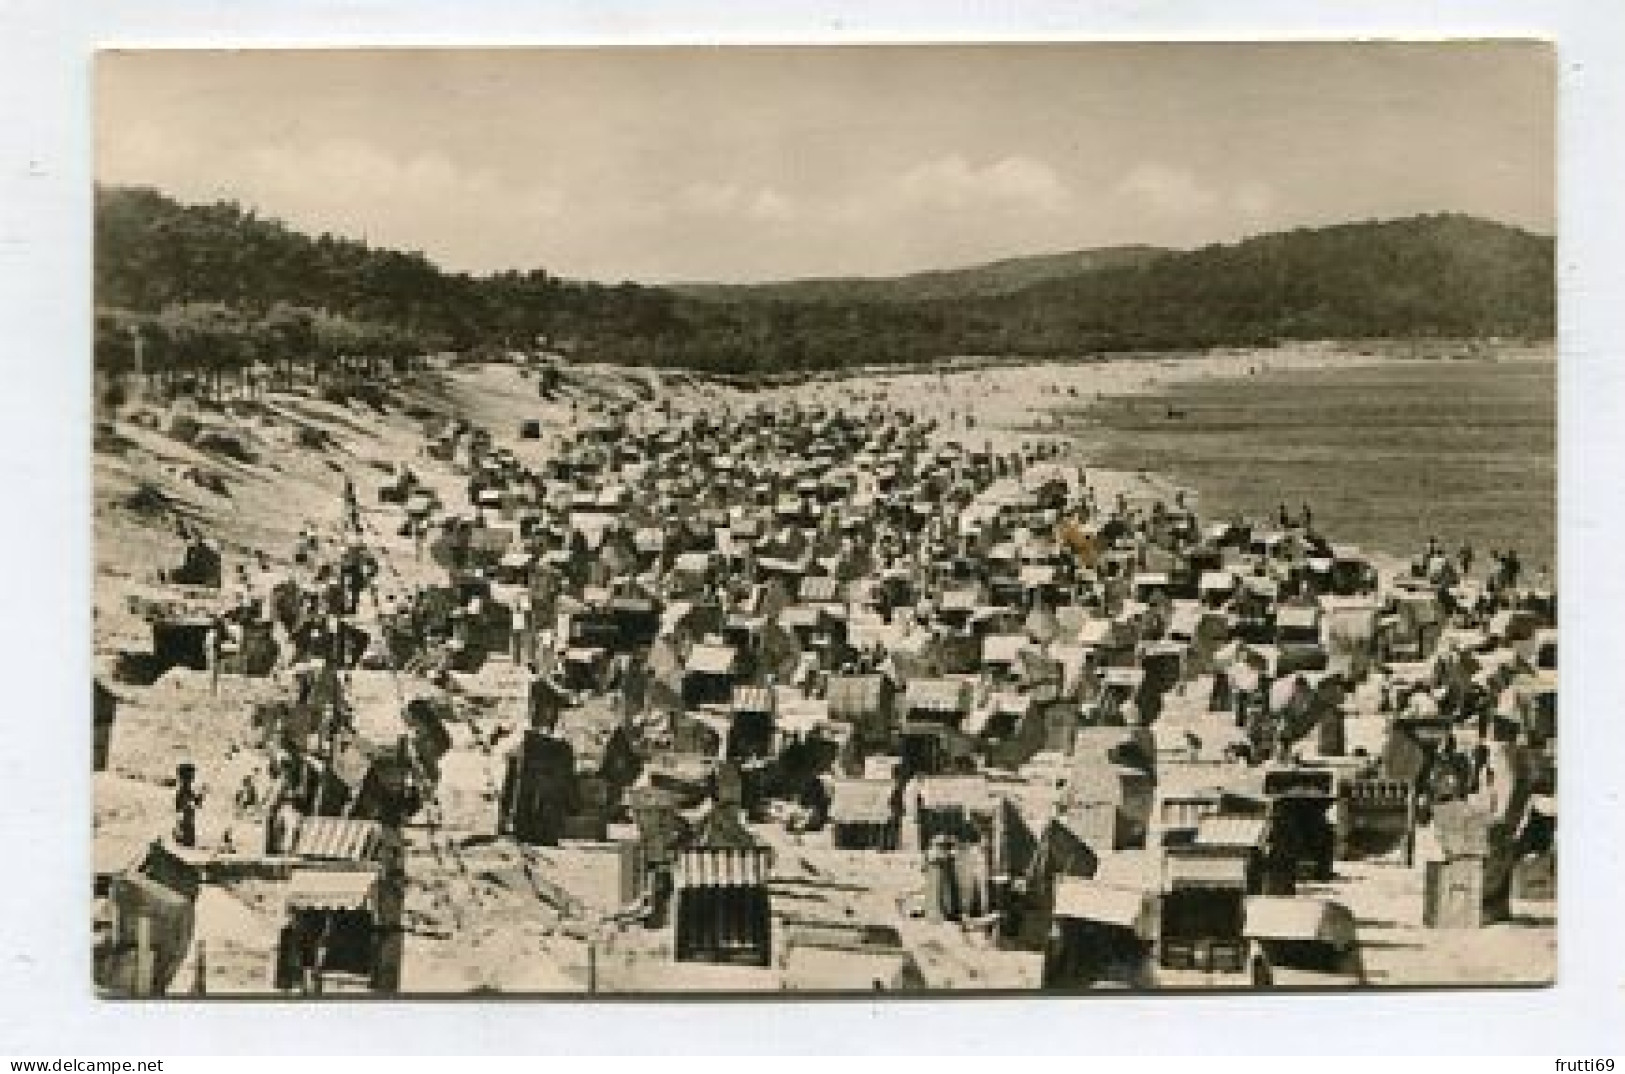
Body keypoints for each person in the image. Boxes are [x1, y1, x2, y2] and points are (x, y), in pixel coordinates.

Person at [174, 763, 204, 847]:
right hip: (185, 823)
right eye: (191, 775)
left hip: (187, 822)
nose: (193, 777)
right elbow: (183, 808)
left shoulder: (187, 791)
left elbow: (196, 804)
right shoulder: (183, 792)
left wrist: (199, 797)